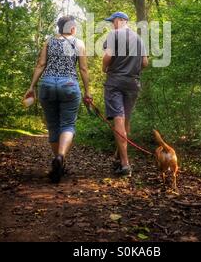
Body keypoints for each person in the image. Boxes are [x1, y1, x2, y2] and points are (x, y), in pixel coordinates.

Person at [24, 16, 91, 183]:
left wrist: (31, 87)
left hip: (47, 84)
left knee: (53, 125)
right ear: (73, 28)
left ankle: (58, 162)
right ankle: (60, 157)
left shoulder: (49, 42)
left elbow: (40, 65)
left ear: (59, 28)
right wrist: (87, 91)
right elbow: (83, 68)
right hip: (68, 84)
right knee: (67, 124)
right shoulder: (79, 43)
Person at [102, 12, 148, 177]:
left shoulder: (114, 35)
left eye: (113, 21)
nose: (112, 24)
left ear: (121, 21)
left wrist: (104, 68)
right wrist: (132, 71)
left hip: (115, 82)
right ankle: (119, 156)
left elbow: (108, 57)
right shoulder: (139, 39)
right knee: (125, 120)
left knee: (118, 120)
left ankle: (125, 164)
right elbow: (145, 62)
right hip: (133, 83)